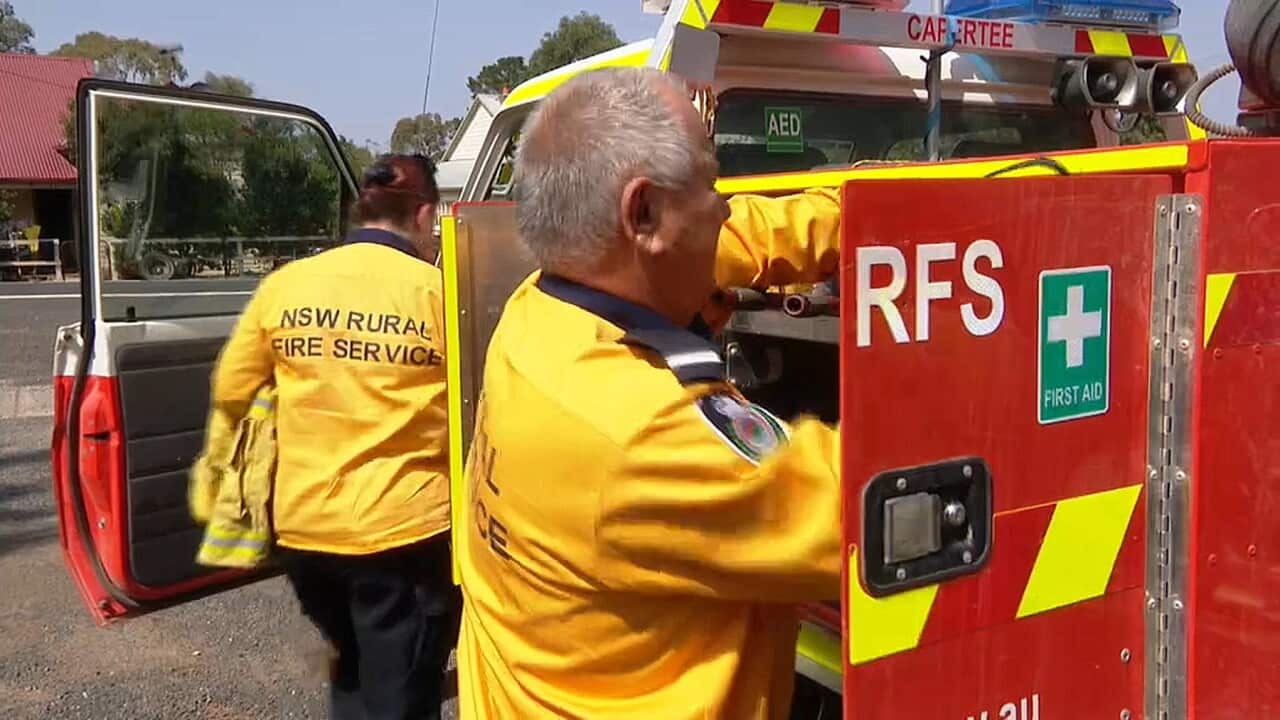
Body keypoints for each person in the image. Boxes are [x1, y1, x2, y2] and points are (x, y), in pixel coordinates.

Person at [456, 66, 844, 719]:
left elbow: (728, 235)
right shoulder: (637, 433)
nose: (725, 205)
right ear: (643, 213)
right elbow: (882, 504)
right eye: (713, 183)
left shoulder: (536, 312)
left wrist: (858, 213)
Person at [202, 154, 459, 720]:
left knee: (351, 672)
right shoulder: (439, 293)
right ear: (424, 216)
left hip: (305, 532)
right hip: (401, 536)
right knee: (402, 693)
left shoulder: (286, 285)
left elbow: (231, 388)